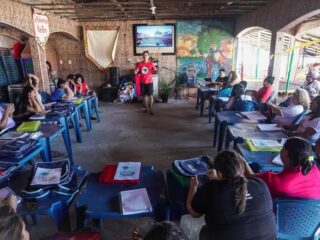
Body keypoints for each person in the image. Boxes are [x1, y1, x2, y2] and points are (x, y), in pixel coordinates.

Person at [187, 150, 276, 240]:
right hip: (268, 237)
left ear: (220, 174)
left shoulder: (211, 189)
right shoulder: (260, 184)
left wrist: (193, 187)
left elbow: (194, 213)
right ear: (241, 168)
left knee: (204, 231)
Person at [252, 137, 320, 199]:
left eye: (283, 148)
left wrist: (243, 163)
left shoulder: (272, 180)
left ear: (285, 153)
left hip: (278, 211)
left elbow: (249, 177)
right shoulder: (316, 169)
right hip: (313, 211)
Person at [135, 51, 157, 115]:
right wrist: (136, 71)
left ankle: (151, 109)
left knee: (151, 96)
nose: (145, 56)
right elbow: (137, 71)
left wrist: (155, 70)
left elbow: (155, 70)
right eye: (144, 55)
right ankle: (147, 108)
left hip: (150, 82)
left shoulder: (151, 64)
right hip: (142, 82)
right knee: (144, 96)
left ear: (148, 56)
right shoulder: (140, 64)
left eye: (146, 55)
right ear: (142, 56)